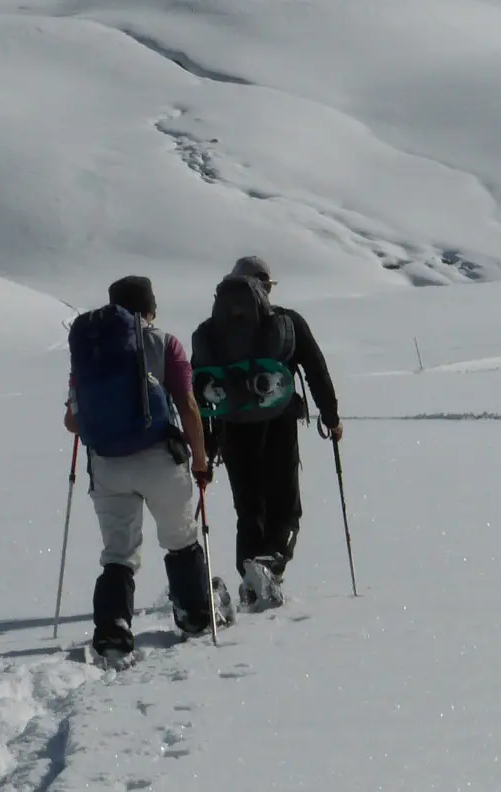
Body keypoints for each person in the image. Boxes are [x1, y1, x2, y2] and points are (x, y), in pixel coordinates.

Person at [65, 275, 216, 658]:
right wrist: (200, 461)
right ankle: (196, 614)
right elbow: (188, 407)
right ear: (151, 306)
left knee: (118, 553)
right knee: (181, 539)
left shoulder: (92, 346)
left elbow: (72, 421)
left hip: (107, 465)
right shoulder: (165, 343)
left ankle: (113, 628)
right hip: (159, 458)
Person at [191, 255, 341, 612]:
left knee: (248, 508)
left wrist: (207, 447)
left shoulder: (211, 331)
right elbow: (316, 369)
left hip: (231, 428)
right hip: (279, 422)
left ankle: (250, 574)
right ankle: (270, 564)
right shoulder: (286, 322)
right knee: (285, 507)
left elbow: (198, 392)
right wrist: (331, 417)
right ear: (264, 287)